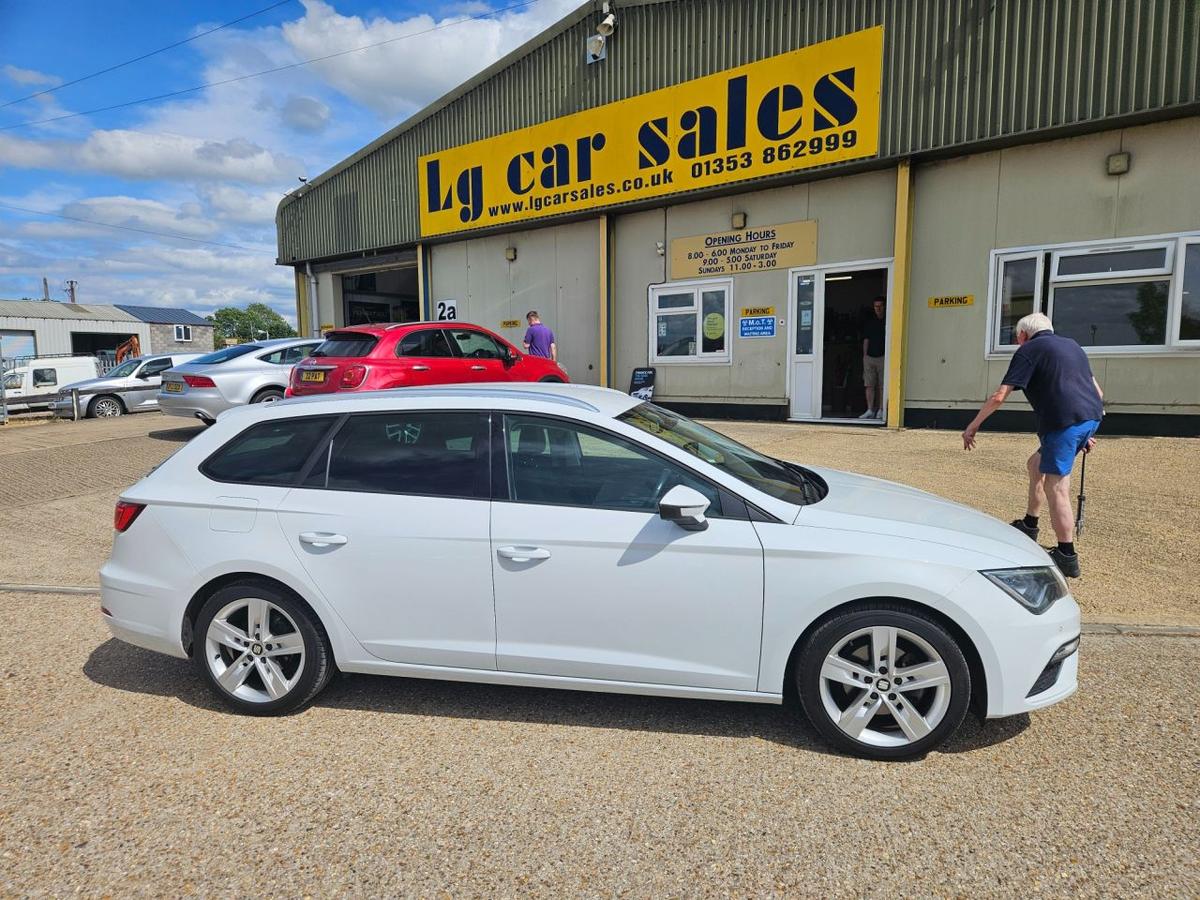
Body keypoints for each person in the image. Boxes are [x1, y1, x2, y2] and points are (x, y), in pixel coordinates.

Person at [961, 312, 1103, 578]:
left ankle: (1066, 555)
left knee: (1057, 486)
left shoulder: (1029, 350)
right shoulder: (1072, 345)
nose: (1018, 343)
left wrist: (973, 425)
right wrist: (1083, 431)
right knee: (1035, 465)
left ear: (1023, 335)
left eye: (1017, 339)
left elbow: (999, 395)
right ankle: (1029, 524)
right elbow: (1098, 392)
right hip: (1090, 417)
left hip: (1064, 424)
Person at [860, 297, 886, 419]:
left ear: (884, 307)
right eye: (876, 306)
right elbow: (866, 339)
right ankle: (870, 409)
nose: (878, 309)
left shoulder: (888, 321)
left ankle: (881, 409)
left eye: (880, 306)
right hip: (870, 357)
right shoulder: (870, 322)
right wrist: (865, 356)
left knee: (882, 385)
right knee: (869, 384)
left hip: (883, 357)